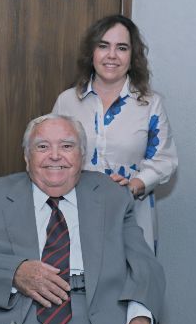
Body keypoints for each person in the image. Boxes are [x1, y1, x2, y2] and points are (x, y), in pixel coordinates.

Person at [0, 114, 167, 324]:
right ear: (27, 158)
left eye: (67, 146)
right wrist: (14, 273)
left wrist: (139, 323)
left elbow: (145, 266)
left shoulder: (113, 197)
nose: (55, 155)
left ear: (82, 157)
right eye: (42, 146)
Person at [52, 15, 178, 253]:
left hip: (131, 218)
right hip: (74, 216)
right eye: (103, 46)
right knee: (75, 287)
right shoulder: (67, 101)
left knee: (130, 288)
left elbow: (164, 160)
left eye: (122, 48)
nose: (112, 55)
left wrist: (134, 185)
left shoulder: (150, 104)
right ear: (92, 53)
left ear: (132, 57)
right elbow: (51, 155)